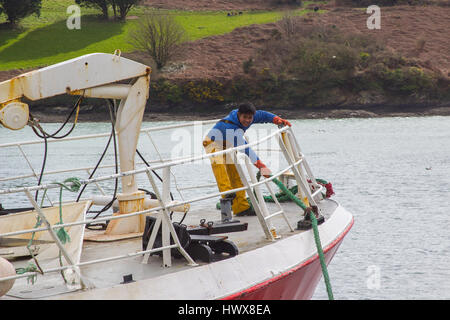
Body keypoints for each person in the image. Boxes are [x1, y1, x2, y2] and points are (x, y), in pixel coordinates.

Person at [203, 102, 291, 216]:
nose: (247, 120)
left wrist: (277, 119)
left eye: (250, 118)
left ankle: (241, 208)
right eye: (244, 117)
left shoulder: (251, 116)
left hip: (228, 144)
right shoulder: (230, 127)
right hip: (213, 143)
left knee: (236, 176)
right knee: (220, 169)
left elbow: (264, 115)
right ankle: (227, 194)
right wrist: (261, 166)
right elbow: (246, 149)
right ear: (239, 115)